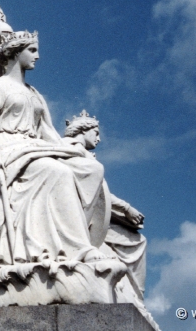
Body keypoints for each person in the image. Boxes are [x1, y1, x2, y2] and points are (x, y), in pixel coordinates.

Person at [0, 31, 108, 264]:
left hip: (35, 147)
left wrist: (72, 151)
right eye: (32, 50)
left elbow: (47, 132)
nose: (37, 56)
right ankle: (77, 248)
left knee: (91, 169)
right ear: (16, 53)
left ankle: (75, 237)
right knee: (58, 172)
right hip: (9, 149)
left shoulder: (35, 94)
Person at [64, 111, 147, 299]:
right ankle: (132, 297)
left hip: (93, 217)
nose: (99, 139)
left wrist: (125, 211)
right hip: (78, 219)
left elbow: (101, 195)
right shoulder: (67, 150)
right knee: (135, 243)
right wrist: (126, 208)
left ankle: (136, 299)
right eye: (96, 133)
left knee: (137, 240)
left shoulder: (87, 156)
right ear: (83, 131)